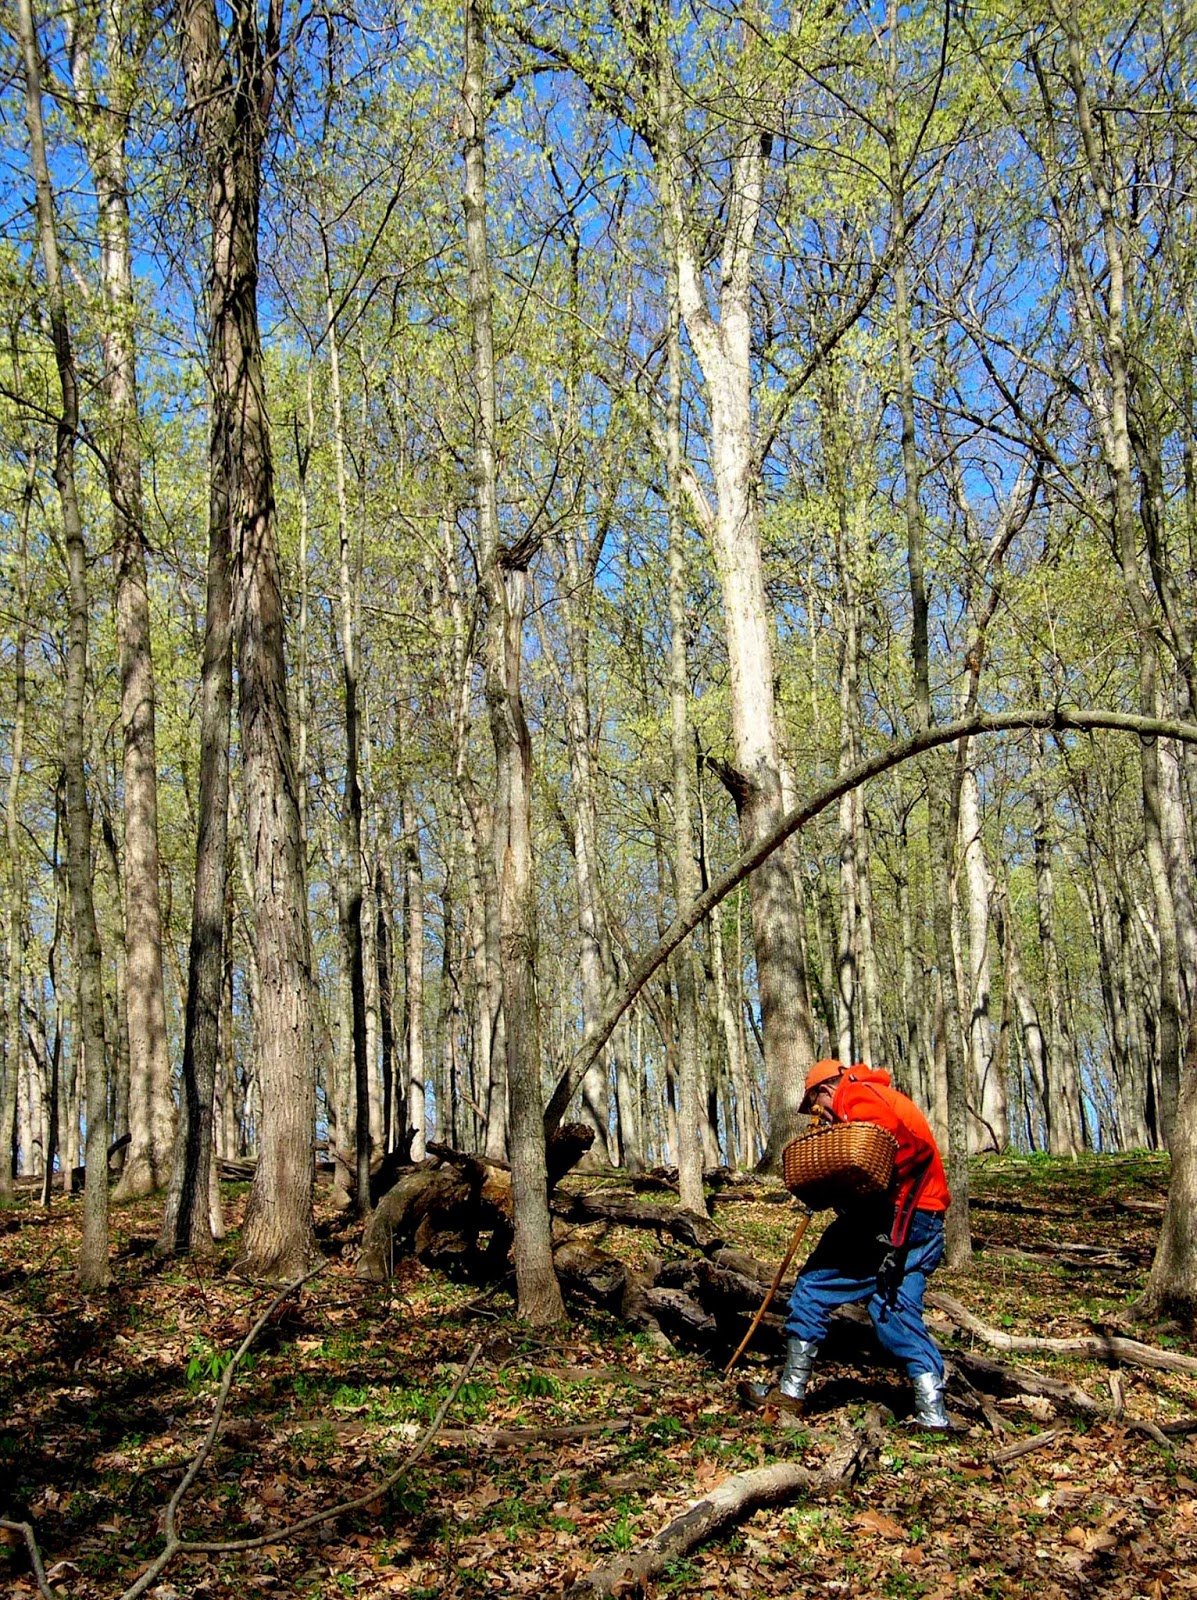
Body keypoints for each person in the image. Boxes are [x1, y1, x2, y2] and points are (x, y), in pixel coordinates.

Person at [767, 1057, 954, 1429]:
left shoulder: (854, 1094)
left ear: (825, 1091)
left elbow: (886, 1142)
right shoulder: (878, 1093)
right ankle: (933, 1414)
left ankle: (790, 1392)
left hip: (897, 1217)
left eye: (817, 1106)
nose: (820, 1115)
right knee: (893, 1310)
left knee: (814, 1284)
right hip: (928, 1223)